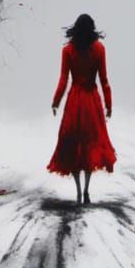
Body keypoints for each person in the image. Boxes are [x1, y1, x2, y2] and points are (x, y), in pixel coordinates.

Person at [47, 14, 117, 204]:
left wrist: (56, 101)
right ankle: (86, 191)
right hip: (92, 100)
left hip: (75, 101)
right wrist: (108, 105)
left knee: (74, 145)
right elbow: (104, 80)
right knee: (89, 145)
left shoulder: (68, 50)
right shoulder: (99, 49)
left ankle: (78, 192)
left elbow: (63, 79)